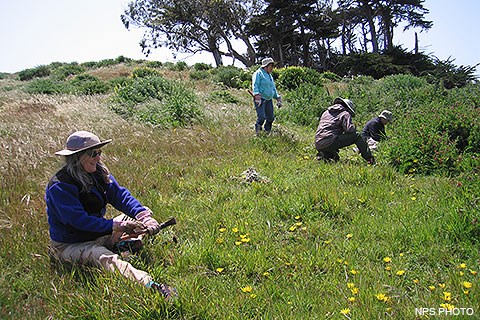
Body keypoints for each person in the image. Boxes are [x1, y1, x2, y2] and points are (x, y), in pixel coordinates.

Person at [45, 130, 177, 299]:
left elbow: (120, 196)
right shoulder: (61, 185)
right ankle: (151, 286)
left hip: (98, 232)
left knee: (134, 220)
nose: (98, 158)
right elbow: (78, 221)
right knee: (105, 258)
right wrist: (116, 226)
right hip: (71, 244)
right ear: (77, 158)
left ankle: (122, 245)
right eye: (93, 153)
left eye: (99, 153)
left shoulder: (98, 173)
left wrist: (144, 217)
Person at [315, 97, 375, 164]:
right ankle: (370, 159)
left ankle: (324, 155)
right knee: (357, 136)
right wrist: (353, 127)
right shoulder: (345, 113)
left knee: (335, 158)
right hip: (329, 141)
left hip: (318, 142)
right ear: (347, 108)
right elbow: (349, 130)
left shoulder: (326, 112)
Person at [251, 57, 282, 135]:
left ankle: (266, 132)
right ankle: (258, 133)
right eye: (271, 66)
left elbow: (273, 88)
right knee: (261, 118)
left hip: (268, 100)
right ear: (266, 66)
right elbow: (255, 85)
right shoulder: (258, 73)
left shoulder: (270, 75)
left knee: (270, 118)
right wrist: (256, 94)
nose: (272, 68)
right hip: (260, 99)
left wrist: (277, 97)